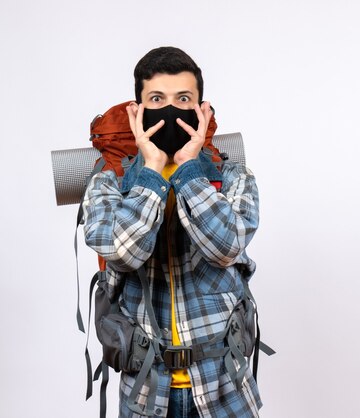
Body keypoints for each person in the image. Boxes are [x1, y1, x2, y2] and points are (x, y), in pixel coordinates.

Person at [82, 46, 263, 418]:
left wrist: (187, 168)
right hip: (146, 392)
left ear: (202, 111)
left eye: (183, 99)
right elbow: (121, 251)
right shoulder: (107, 184)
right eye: (156, 99)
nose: (170, 109)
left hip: (224, 385)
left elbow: (226, 246)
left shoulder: (234, 178)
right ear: (137, 112)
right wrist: (150, 170)